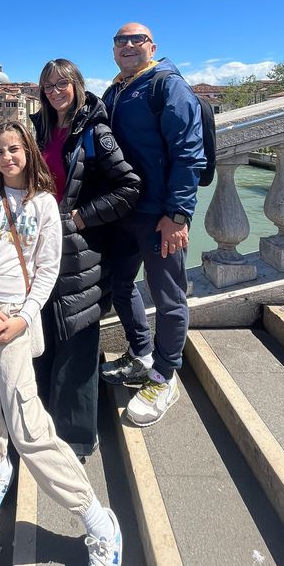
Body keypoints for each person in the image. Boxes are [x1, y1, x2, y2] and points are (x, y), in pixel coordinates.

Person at [0, 121, 123, 566]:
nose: (7, 157)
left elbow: (47, 270)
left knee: (28, 422)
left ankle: (95, 516)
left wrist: (22, 318)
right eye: (0, 151)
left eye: (15, 149)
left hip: (14, 318)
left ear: (28, 152)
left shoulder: (44, 203)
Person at [32, 58, 140, 459]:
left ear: (77, 85)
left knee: (77, 339)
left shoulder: (95, 130)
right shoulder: (39, 129)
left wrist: (80, 216)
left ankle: (75, 438)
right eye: (48, 86)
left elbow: (129, 187)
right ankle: (44, 427)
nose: (55, 91)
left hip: (81, 249)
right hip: (41, 249)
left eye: (63, 84)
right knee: (44, 336)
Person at [99, 23, 205, 427]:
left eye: (136, 39)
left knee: (168, 296)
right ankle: (142, 353)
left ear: (152, 46)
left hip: (159, 214)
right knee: (119, 286)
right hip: (123, 212)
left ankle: (164, 375)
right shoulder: (116, 90)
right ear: (113, 50)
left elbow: (188, 154)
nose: (127, 45)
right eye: (120, 40)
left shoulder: (168, 86)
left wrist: (177, 214)